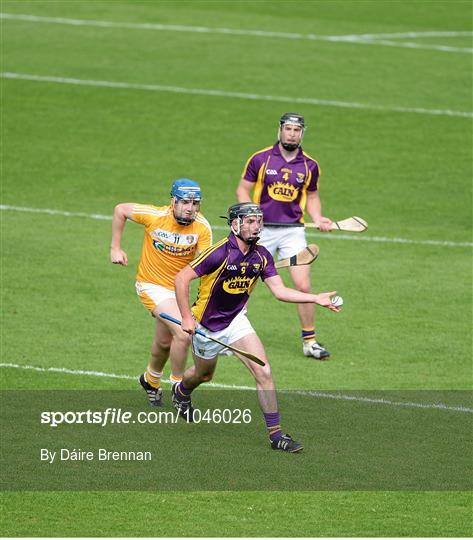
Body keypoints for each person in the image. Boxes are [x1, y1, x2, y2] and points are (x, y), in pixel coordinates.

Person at [173, 203, 340, 452]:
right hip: (206, 326)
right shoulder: (218, 253)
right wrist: (187, 317)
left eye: (258, 221)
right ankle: (181, 390)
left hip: (236, 321)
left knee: (264, 372)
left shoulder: (262, 255)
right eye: (249, 221)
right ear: (235, 224)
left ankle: (276, 436)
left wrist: (315, 298)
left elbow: (280, 291)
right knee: (203, 375)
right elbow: (181, 278)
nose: (256, 226)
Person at [236, 112, 333, 360]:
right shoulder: (261, 158)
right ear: (279, 130)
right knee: (244, 280)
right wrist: (250, 217)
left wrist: (319, 217)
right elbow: (243, 189)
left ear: (302, 133)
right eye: (288, 129)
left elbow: (312, 196)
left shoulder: (310, 165)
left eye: (296, 130)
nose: (292, 133)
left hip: (292, 231)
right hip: (262, 229)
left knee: (302, 285)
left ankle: (309, 341)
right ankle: (229, 334)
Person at [110, 178, 212, 406]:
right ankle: (178, 386)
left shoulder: (202, 228)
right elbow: (120, 210)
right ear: (173, 201)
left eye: (195, 204)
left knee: (165, 342)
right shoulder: (155, 216)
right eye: (185, 202)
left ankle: (150, 380)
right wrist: (115, 248)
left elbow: (207, 267)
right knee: (183, 334)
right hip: (150, 285)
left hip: (178, 291)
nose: (190, 208)